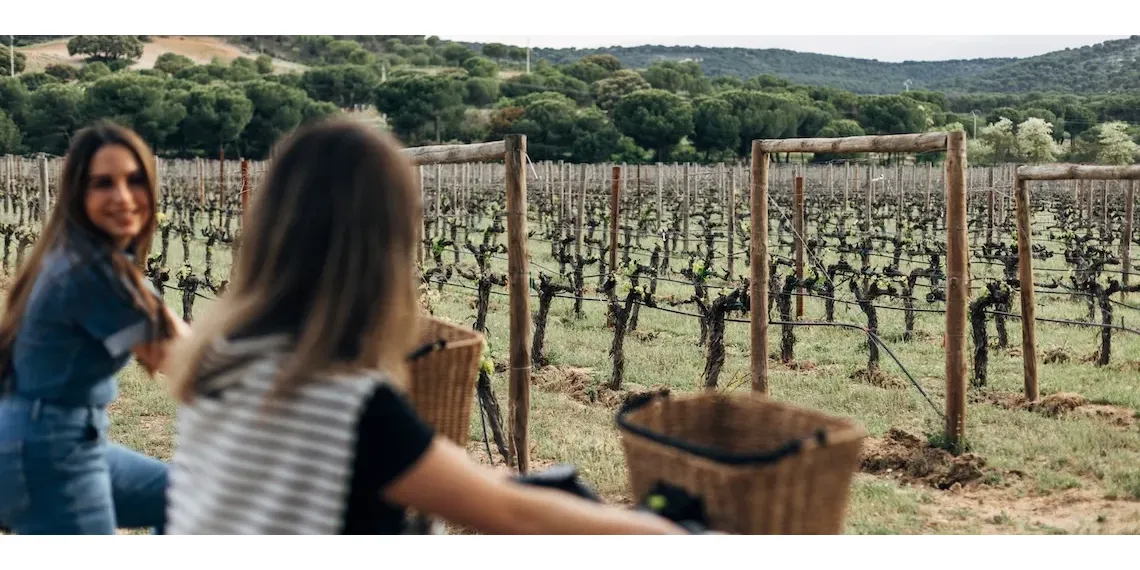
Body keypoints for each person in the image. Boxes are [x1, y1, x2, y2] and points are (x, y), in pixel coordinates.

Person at [163, 120, 687, 535]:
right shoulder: (348, 403)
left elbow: (412, 475)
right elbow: (510, 515)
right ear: (381, 249)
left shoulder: (220, 358)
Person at [0, 121, 190, 534]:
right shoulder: (91, 274)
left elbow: (176, 334)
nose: (123, 197)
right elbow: (184, 359)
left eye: (134, 180)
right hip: (46, 452)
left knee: (184, 497)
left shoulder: (85, 257)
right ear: (78, 194)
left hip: (57, 440)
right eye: (103, 183)